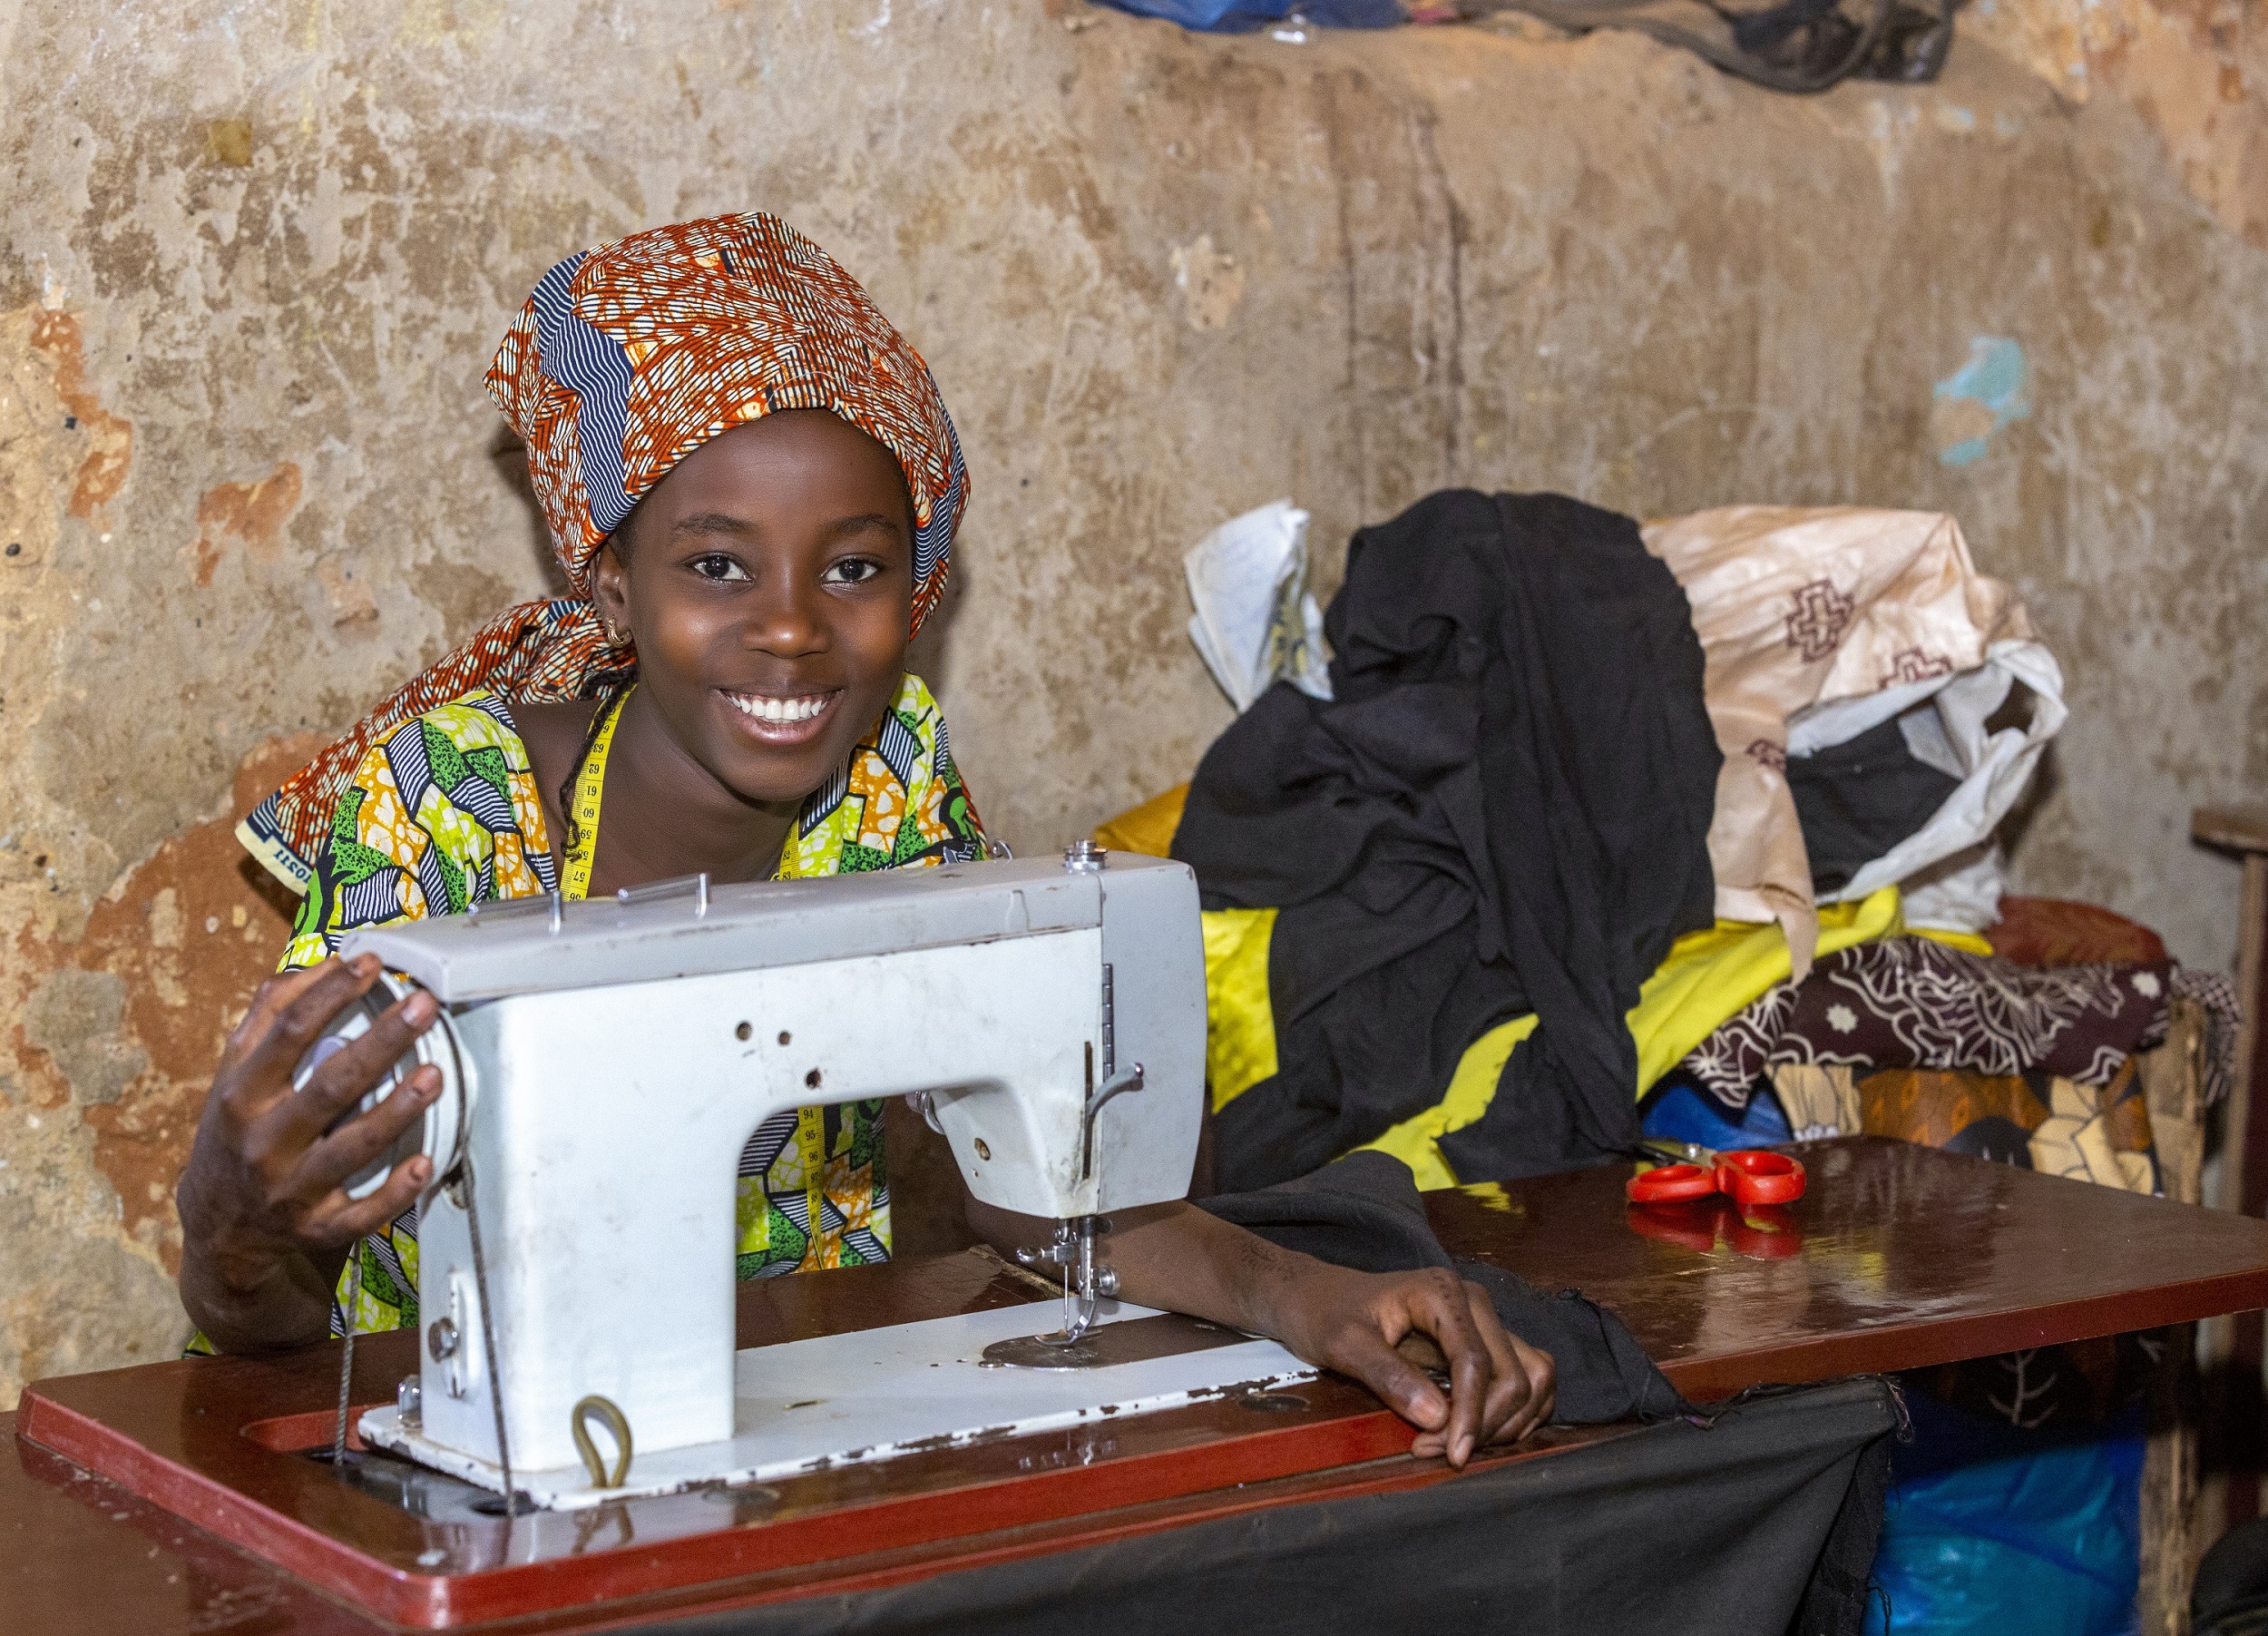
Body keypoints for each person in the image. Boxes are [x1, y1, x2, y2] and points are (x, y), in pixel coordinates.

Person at [174, 213, 1554, 1467]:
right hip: (432, 1448)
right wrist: (229, 1227)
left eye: (854, 567)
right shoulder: (442, 811)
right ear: (611, 581)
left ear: (919, 586)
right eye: (718, 565)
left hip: (784, 1426)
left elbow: (1037, 1188)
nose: (791, 627)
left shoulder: (890, 787)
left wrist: (1316, 1299)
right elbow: (279, 1314)